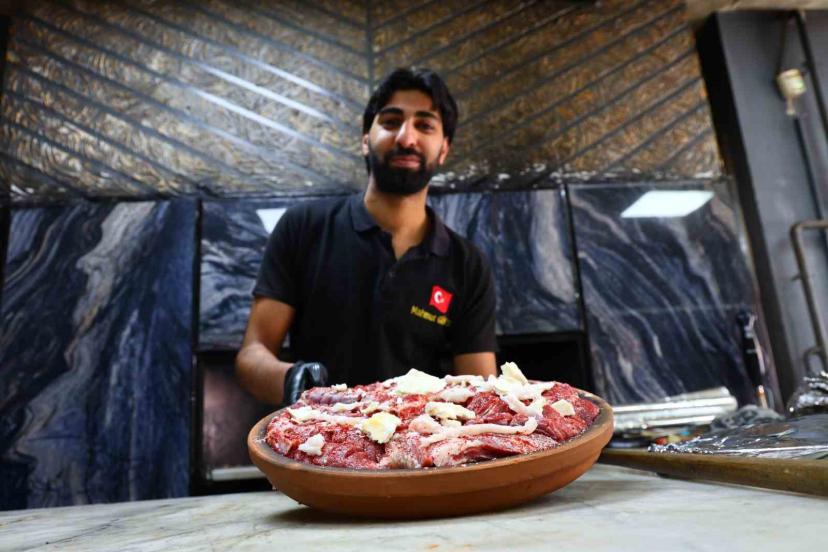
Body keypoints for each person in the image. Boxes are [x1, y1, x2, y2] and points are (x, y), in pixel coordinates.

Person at [235, 67, 497, 405]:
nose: (406, 138)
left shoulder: (467, 265)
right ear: (365, 139)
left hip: (419, 437)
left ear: (444, 149)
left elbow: (479, 391)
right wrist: (296, 383)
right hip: (317, 431)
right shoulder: (303, 227)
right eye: (391, 121)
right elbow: (252, 354)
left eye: (425, 126)